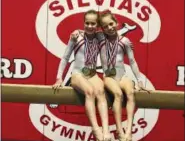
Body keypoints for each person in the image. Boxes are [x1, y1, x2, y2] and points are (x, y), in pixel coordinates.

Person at [52, 10, 111, 141]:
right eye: (87, 23)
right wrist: (59, 78)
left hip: (92, 74)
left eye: (93, 23)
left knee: (101, 92)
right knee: (90, 91)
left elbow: (112, 28)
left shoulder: (100, 37)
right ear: (84, 23)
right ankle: (96, 130)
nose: (90, 26)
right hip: (78, 74)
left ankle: (106, 131)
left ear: (98, 25)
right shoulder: (76, 36)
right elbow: (65, 58)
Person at [98, 10, 150, 141]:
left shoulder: (125, 41)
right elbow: (86, 31)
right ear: (102, 29)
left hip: (122, 77)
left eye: (111, 24)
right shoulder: (100, 39)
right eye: (105, 26)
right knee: (118, 94)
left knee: (131, 93)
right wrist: (77, 33)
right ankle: (119, 130)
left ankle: (129, 131)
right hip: (109, 77)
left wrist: (140, 81)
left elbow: (132, 61)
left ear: (116, 23)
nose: (109, 28)